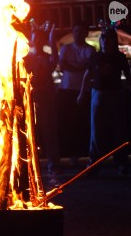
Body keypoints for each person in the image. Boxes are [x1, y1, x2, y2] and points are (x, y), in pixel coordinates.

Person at [78, 25, 131, 175]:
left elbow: (128, 76)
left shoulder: (119, 57)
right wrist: (82, 93)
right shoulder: (95, 57)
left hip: (116, 94)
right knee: (97, 131)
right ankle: (94, 163)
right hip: (98, 94)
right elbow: (86, 76)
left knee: (119, 130)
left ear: (113, 41)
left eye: (107, 39)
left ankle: (121, 162)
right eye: (103, 39)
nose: (104, 42)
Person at [24, 20, 61, 179]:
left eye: (40, 38)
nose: (38, 41)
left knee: (49, 132)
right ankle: (29, 167)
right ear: (31, 40)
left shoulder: (47, 57)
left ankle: (53, 166)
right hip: (31, 98)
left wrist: (52, 41)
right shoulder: (25, 58)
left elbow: (54, 62)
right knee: (29, 134)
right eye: (35, 38)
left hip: (46, 97)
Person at [56, 21, 95, 167]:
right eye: (76, 31)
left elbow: (89, 67)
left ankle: (84, 153)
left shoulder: (90, 49)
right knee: (69, 123)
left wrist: (73, 67)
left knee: (83, 122)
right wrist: (80, 67)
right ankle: (72, 154)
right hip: (67, 90)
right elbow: (63, 65)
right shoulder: (66, 48)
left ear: (86, 33)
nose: (78, 34)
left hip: (84, 90)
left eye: (81, 31)